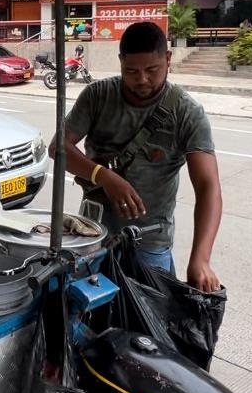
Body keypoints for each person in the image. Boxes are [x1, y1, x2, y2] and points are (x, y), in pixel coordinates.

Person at [53, 21, 223, 292]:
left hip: (150, 244)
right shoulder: (97, 95)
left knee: (149, 327)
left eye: (152, 70)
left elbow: (208, 186)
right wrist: (103, 176)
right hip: (92, 236)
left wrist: (200, 260)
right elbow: (58, 148)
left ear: (168, 59)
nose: (142, 79)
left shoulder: (187, 112)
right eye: (131, 71)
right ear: (120, 62)